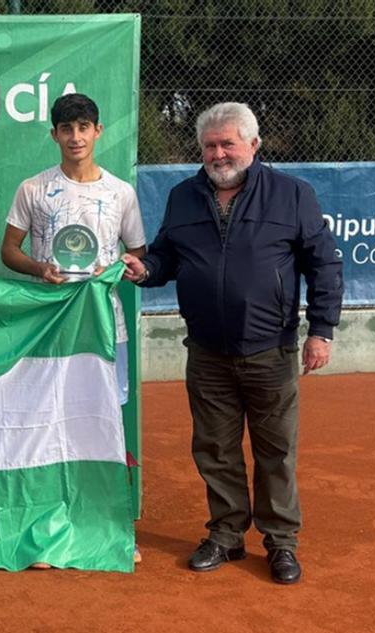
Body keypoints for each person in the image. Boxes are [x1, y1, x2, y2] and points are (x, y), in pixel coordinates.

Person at [120, 102, 343, 585]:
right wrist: (146, 270)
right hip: (206, 351)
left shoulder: (291, 195)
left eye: (228, 144)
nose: (219, 154)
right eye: (209, 146)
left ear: (253, 146)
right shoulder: (184, 197)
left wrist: (321, 330)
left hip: (272, 350)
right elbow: (166, 257)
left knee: (275, 452)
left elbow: (323, 264)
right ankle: (226, 534)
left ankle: (281, 542)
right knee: (216, 449)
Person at [1, 93, 146, 407]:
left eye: (84, 127)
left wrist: (112, 272)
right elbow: (9, 251)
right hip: (50, 320)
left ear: (98, 130)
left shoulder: (121, 192)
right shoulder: (33, 188)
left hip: (104, 319)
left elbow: (137, 253)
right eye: (66, 128)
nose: (76, 137)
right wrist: (40, 269)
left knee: (106, 405)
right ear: (55, 135)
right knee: (48, 406)